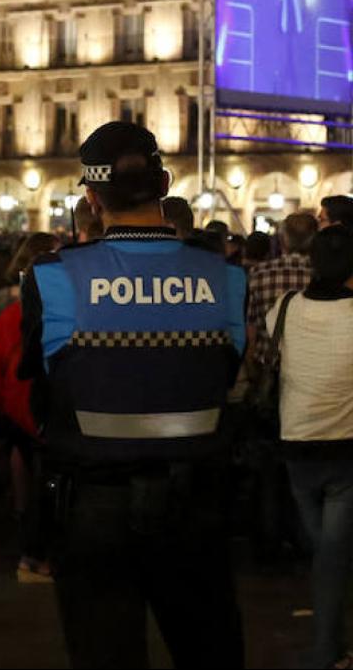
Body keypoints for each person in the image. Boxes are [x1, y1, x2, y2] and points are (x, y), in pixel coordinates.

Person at [20, 121, 247, 669]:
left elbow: (39, 393)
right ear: (165, 186)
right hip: (196, 509)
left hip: (92, 509)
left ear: (93, 199)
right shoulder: (225, 278)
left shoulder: (52, 278)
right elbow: (225, 372)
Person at [268, 225, 353, 669]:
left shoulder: (283, 308)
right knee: (333, 552)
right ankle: (327, 648)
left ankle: (329, 646)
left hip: (297, 442)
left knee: (326, 549)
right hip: (346, 447)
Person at [0, 233, 60, 583]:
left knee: (25, 459)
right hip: (37, 399)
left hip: (16, 399)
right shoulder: (53, 310)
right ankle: (36, 549)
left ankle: (22, 510)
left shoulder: (7, 306)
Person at [247, 213, 318, 371]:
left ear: (283, 239)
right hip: (310, 361)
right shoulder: (320, 274)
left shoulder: (260, 272)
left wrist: (249, 359)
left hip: (267, 360)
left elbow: (252, 323)